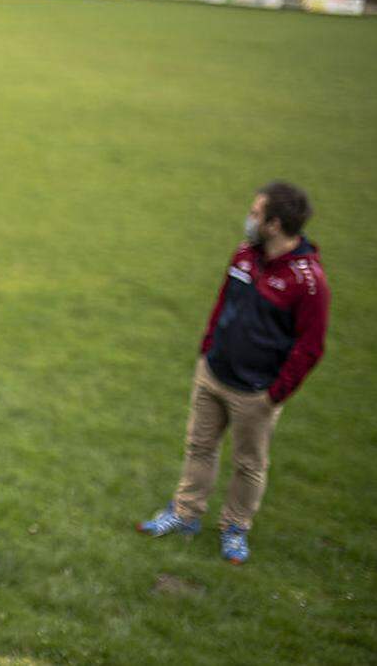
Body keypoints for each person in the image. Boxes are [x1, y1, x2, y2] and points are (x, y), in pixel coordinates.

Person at [137, 182, 330, 565]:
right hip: (213, 374)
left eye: (256, 213)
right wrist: (207, 349)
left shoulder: (308, 283)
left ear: (275, 224)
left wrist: (274, 393)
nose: (249, 218)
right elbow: (223, 301)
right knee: (199, 447)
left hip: (256, 393)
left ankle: (235, 528)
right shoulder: (245, 255)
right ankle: (186, 512)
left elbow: (310, 347)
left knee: (248, 464)